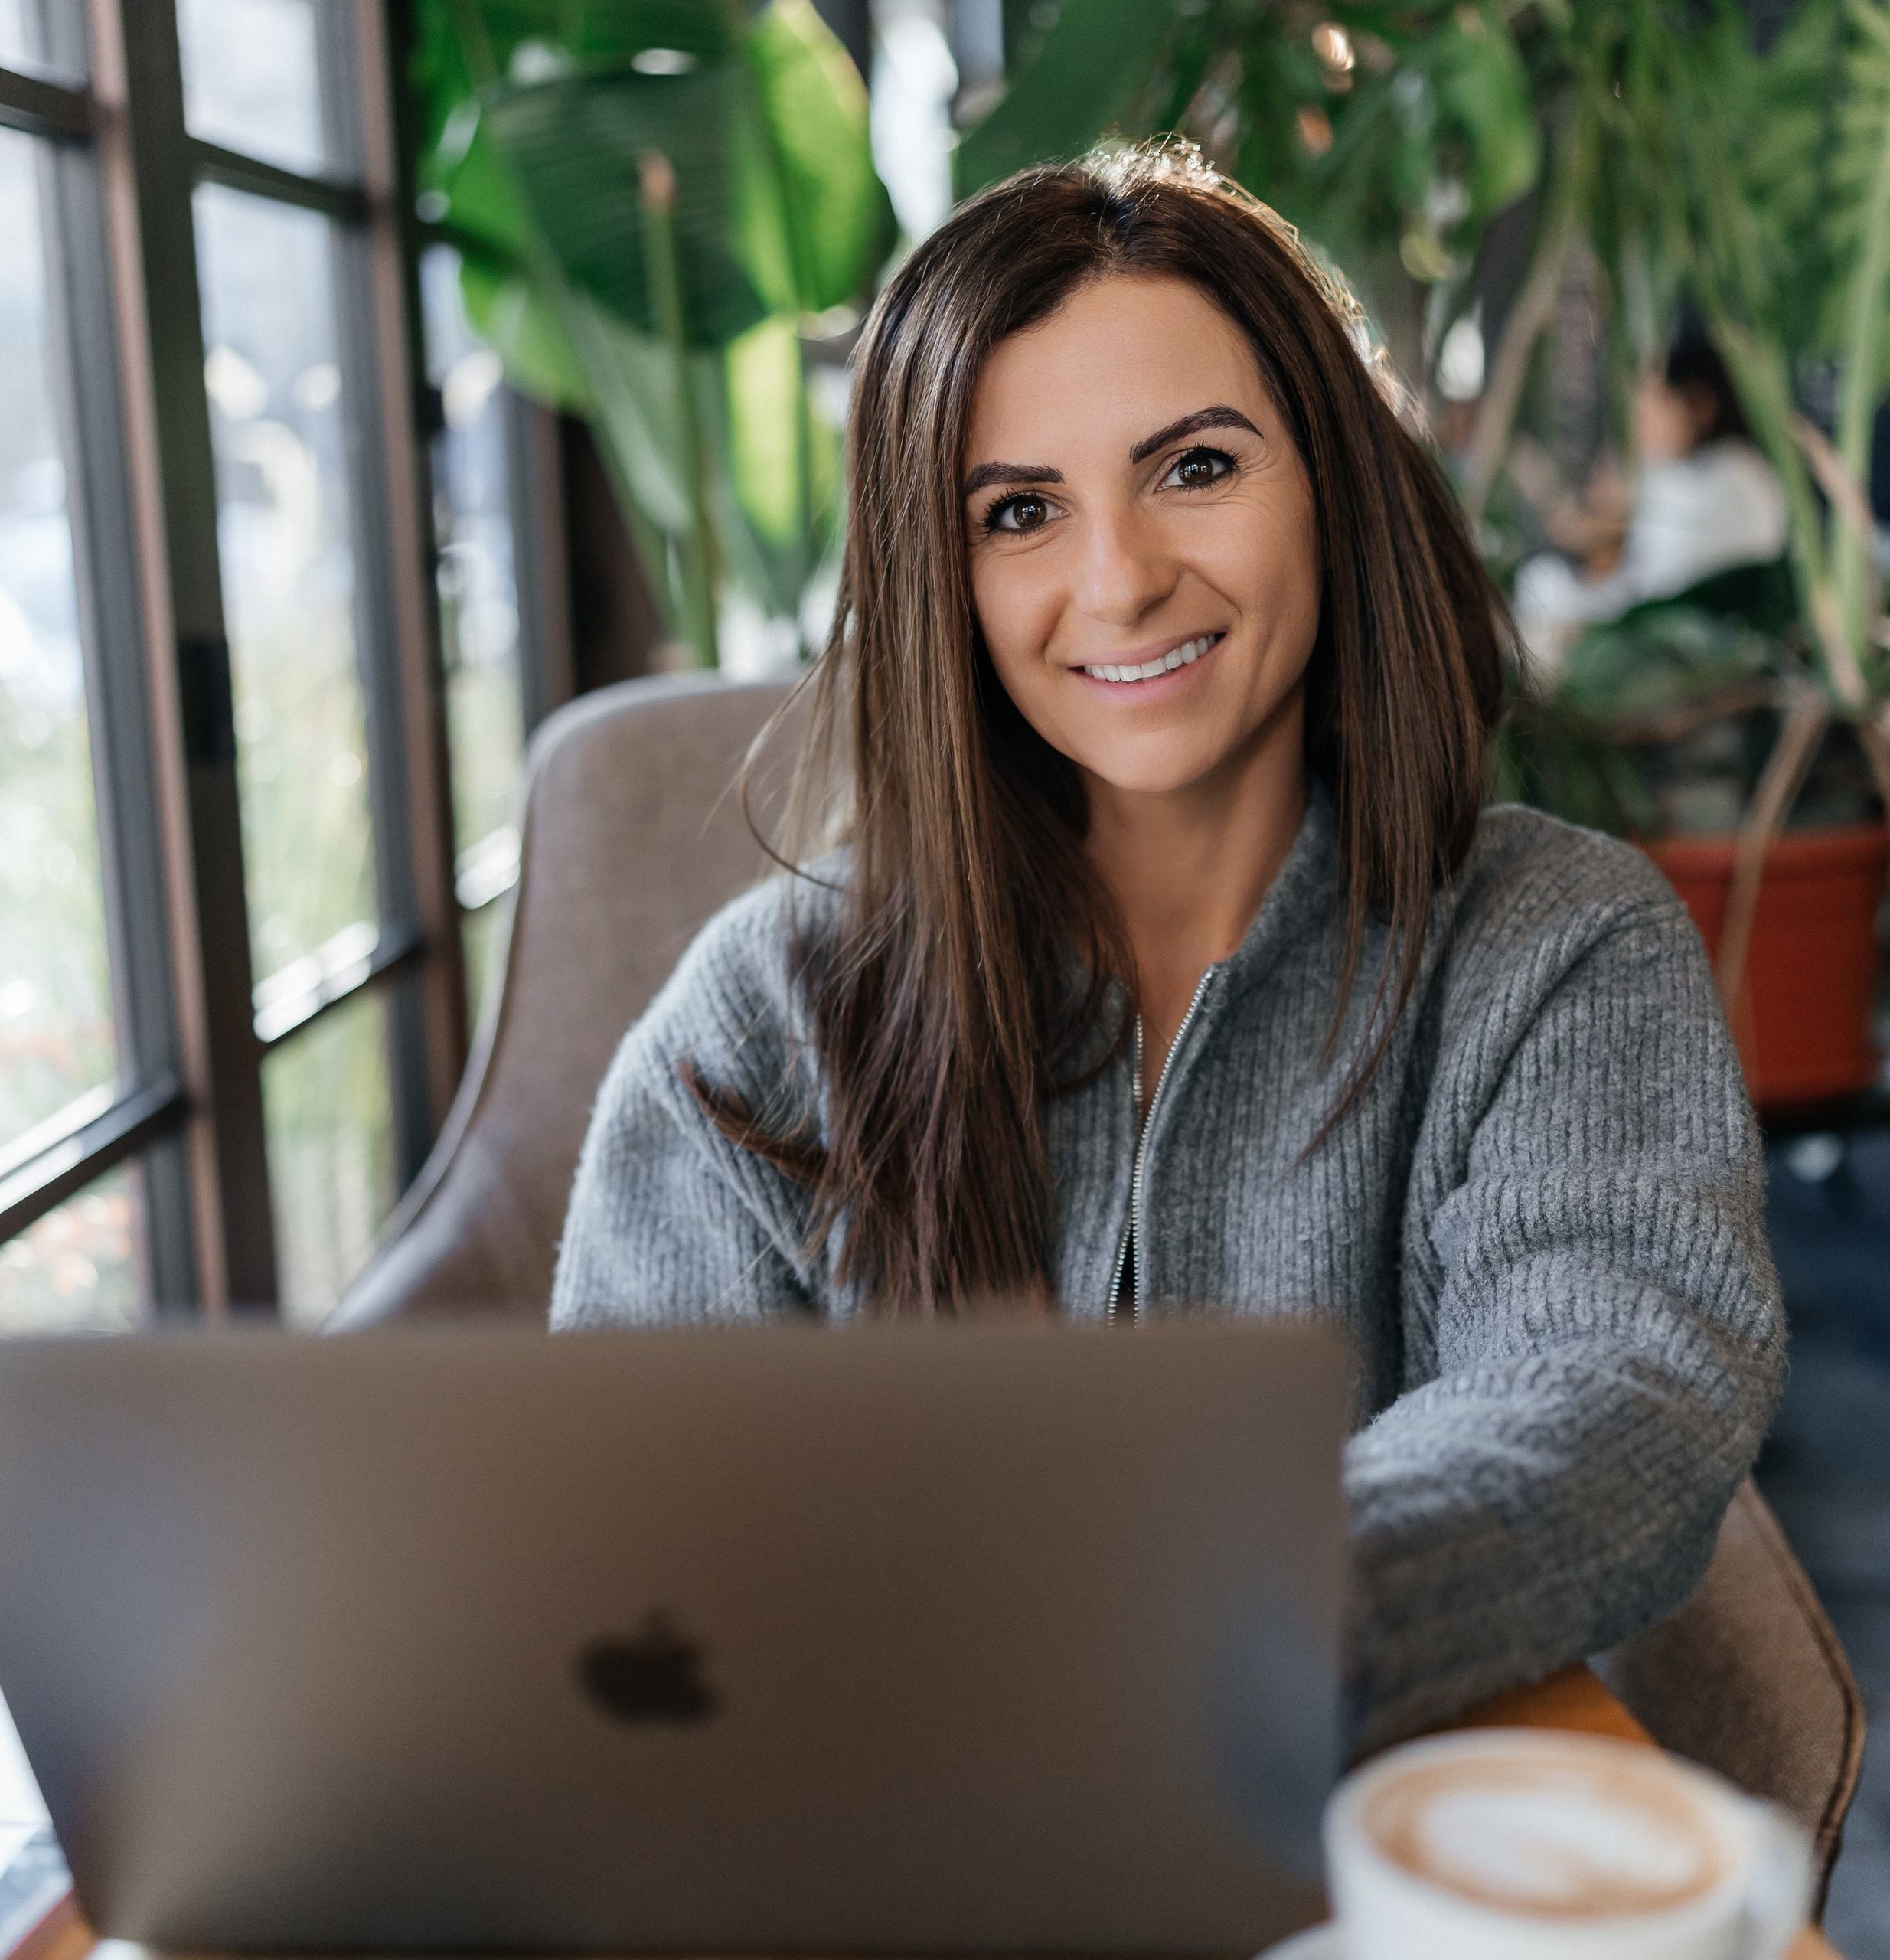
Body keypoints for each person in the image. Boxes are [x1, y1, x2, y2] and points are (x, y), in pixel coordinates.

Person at [551, 145, 1781, 1749]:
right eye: (1017, 511)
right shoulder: (771, 1000)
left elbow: (1616, 1392)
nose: (1117, 580)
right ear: (945, 576)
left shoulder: (1557, 945)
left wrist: (1193, 1622)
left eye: (1194, 467)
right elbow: (627, 1524)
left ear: (1329, 485)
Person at [1514, 332, 1790, 670]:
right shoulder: (1730, 472)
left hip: (1690, 658)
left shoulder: (1714, 481)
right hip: (1689, 644)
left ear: (1698, 406)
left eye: (1651, 400)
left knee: (1542, 587)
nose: (1637, 416)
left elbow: (1656, 594)